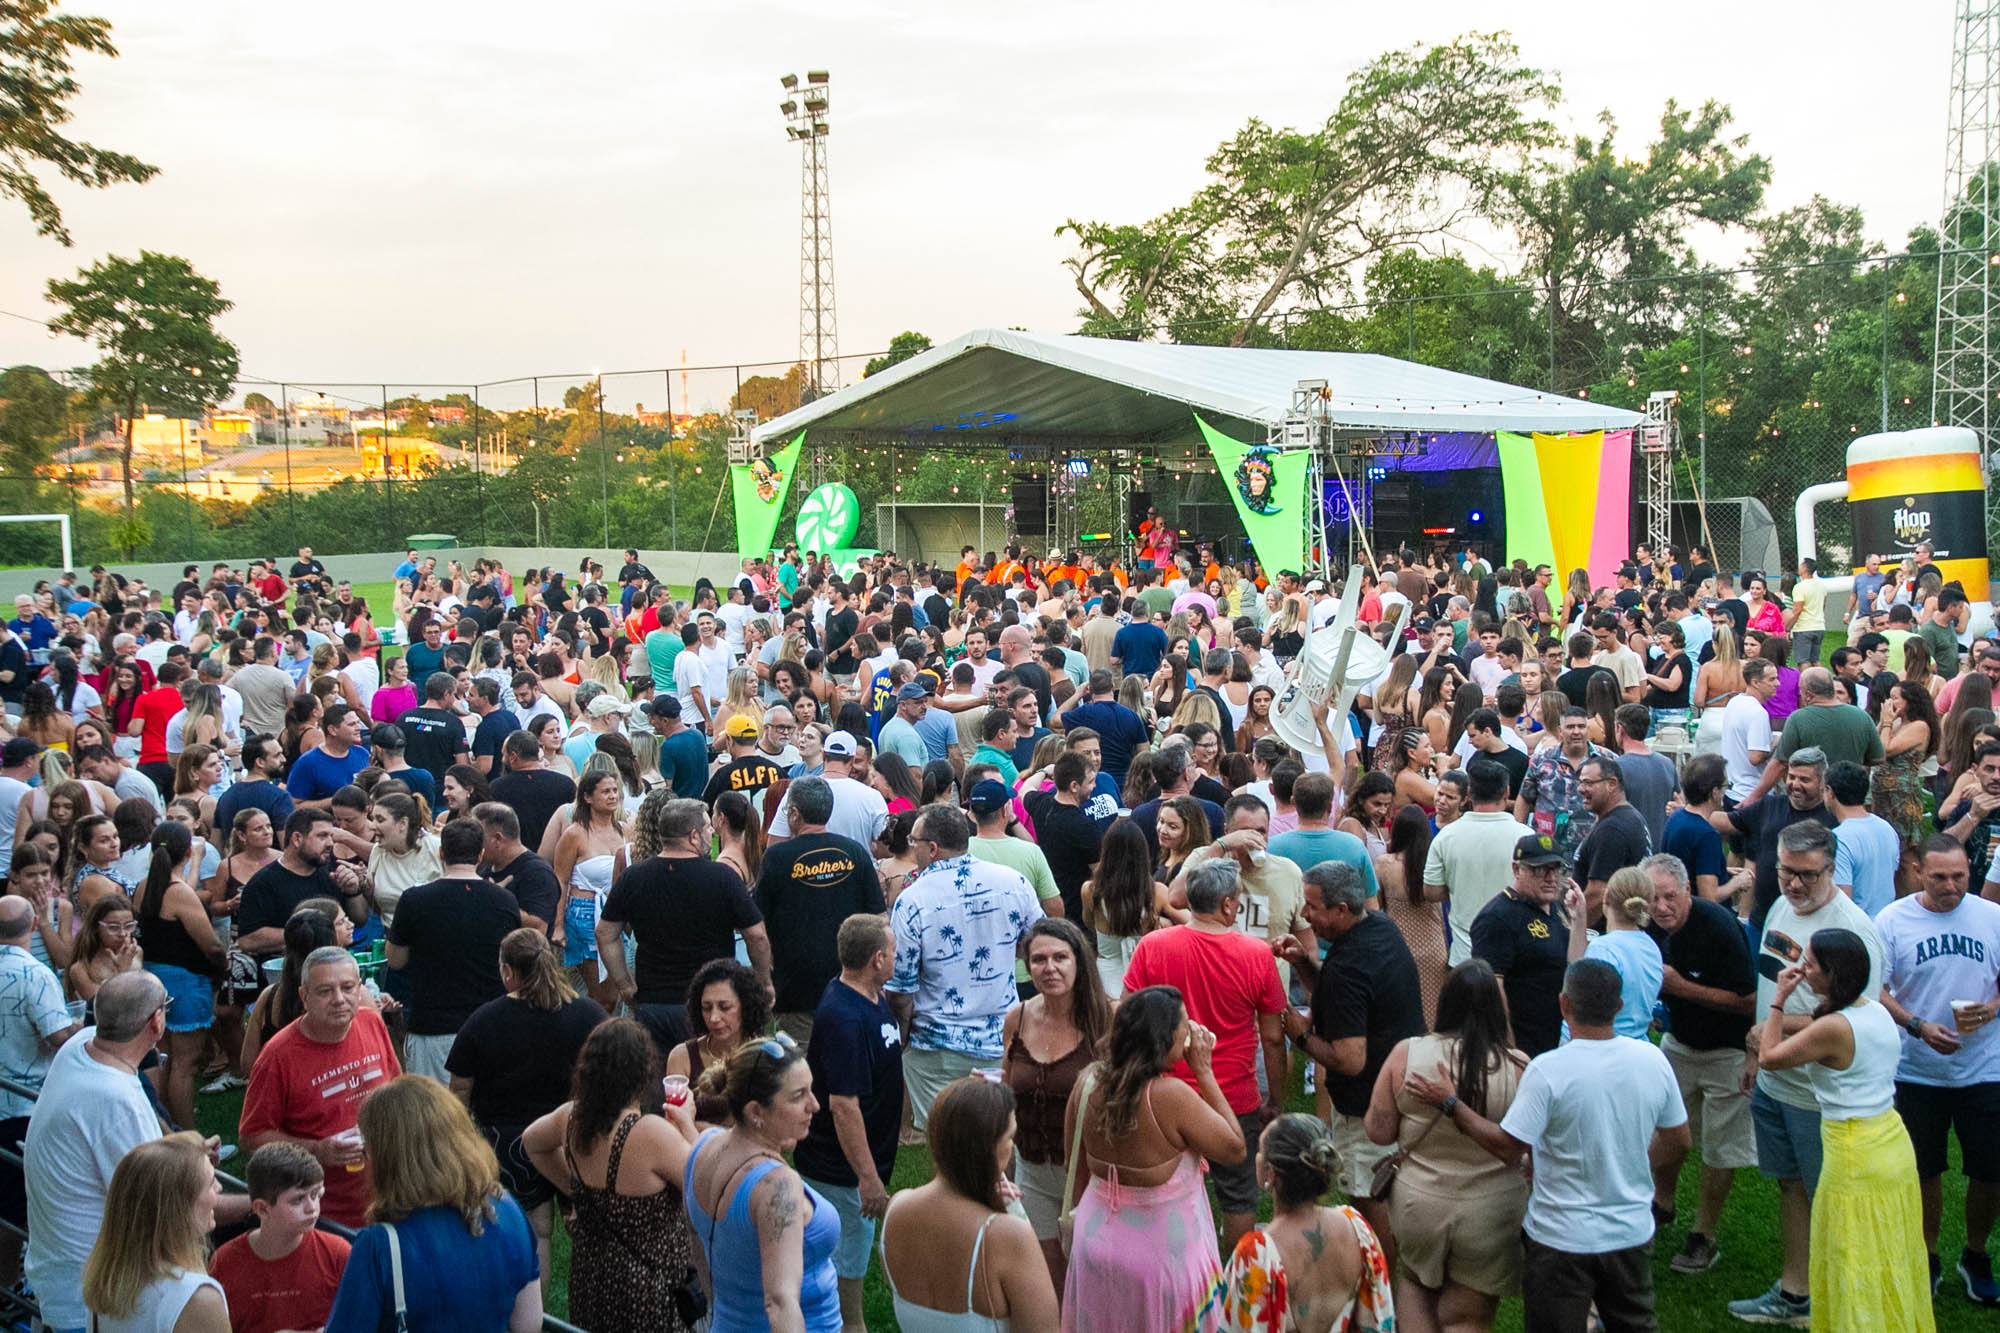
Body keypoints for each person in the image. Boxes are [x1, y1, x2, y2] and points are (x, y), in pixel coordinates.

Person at [1405, 959, 1690, 1333]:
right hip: (1629, 1233)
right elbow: (1679, 1140)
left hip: (1560, 1240)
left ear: (1564, 1004)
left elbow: (1508, 1147)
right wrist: (1633, 1166)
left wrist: (1450, 1103)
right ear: (1619, 1006)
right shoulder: (1652, 1060)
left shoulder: (1548, 1070)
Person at [1731, 820, 1883, 1327]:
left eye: (1808, 875)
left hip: (1822, 1097)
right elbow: (1769, 986)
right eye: (1786, 871)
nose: (1794, 884)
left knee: (1832, 1201)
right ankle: (1796, 1292)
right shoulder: (1780, 906)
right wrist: (1756, 1054)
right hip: (1776, 1081)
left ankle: (1844, 1302)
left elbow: (1856, 1017)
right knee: (1790, 1186)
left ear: (1832, 870)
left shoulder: (1854, 931)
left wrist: (1770, 1035)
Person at [1755, 928, 1936, 1333]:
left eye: (1811, 964)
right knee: (1889, 1248)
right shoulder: (1876, 1011)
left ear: (1832, 973)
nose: (1803, 969)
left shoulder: (1834, 1028)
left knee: (1851, 1254)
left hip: (1854, 1152)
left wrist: (1779, 1000)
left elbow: (1768, 1057)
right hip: (1891, 1140)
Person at [1122, 858, 1286, 1254]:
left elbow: (1128, 1015)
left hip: (1165, 1095)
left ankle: (1172, 1266)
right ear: (1228, 904)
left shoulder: (1154, 945)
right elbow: (1272, 1037)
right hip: (1234, 1096)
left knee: (1162, 1189)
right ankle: (1237, 1274)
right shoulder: (1256, 954)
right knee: (1238, 1195)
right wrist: (1275, 1101)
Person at [1060, 986, 1244, 1331]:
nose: (1190, 1030)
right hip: (1160, 1259)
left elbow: (1074, 1164)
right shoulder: (1171, 1097)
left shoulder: (1087, 1083)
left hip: (1095, 1243)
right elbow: (1234, 1148)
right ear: (1165, 1038)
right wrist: (1204, 1071)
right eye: (1184, 1023)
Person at [1362, 960, 1528, 1333]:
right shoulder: (1518, 1066)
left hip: (1419, 1205)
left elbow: (1378, 1132)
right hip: (1492, 1212)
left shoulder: (1407, 1054)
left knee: (1416, 1288)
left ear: (1445, 1002)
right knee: (1468, 1316)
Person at [1277, 860, 1423, 1266]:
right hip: (1398, 1088)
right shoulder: (1379, 928)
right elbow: (1344, 997)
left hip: (1366, 1106)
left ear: (1341, 909)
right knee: (1389, 1190)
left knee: (1370, 1195)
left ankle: (1383, 1283)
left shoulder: (1348, 968)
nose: (1305, 914)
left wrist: (1299, 1035)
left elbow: (1349, 1059)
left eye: (1312, 906)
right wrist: (1304, 965)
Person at [1873, 836, 2000, 1302]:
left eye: (1960, 876)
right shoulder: (1892, 920)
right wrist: (1917, 1025)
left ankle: (1975, 1253)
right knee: (1923, 1169)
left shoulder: (1992, 917)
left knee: (1991, 1169)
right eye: (1940, 877)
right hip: (1916, 1069)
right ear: (1917, 872)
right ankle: (1926, 1255)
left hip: (1985, 1067)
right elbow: (1875, 989)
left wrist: (1993, 1008)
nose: (1951, 886)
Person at [521, 1018, 701, 1333]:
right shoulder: (651, 1134)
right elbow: (707, 1182)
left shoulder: (571, 1118)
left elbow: (531, 1142)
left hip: (591, 1282)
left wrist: (575, 1189)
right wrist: (687, 1122)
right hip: (649, 1291)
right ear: (643, 1073)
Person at [323, 1075, 543, 1332]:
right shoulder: (507, 1209)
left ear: (387, 1160)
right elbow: (529, 1324)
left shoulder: (378, 1246)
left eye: (367, 1150)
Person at [24, 972, 177, 1332]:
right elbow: (159, 1208)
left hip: (61, 1278)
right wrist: (254, 1204)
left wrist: (179, 1148)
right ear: (156, 1022)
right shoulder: (118, 1102)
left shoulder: (80, 1046)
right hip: (92, 1303)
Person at [887, 802, 1044, 1130]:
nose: (912, 848)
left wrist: (901, 1035)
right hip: (999, 1040)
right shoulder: (1012, 883)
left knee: (947, 1144)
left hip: (936, 1047)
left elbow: (900, 989)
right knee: (997, 1136)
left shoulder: (912, 900)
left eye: (914, 841)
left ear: (932, 848)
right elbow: (1040, 946)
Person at [1638, 853, 1756, 1276]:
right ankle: (1662, 1203)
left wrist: (1681, 988)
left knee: (1720, 1149)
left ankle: (1704, 1234)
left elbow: (1750, 1001)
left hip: (1728, 1049)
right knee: (1668, 1134)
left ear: (1687, 891)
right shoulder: (1647, 925)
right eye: (1652, 898)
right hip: (1679, 1043)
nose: (1661, 907)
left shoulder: (1718, 927)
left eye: (1670, 896)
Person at [683, 1033, 844, 1332]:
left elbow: (695, 1236)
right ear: (755, 1112)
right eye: (798, 1096)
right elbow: (780, 1303)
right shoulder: (778, 1187)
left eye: (811, 1090)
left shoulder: (703, 1146)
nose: (815, 1105)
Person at [793, 914, 908, 1332]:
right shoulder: (845, 1018)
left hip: (858, 1166)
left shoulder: (868, 996)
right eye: (893, 950)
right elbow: (843, 1106)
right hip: (841, 1173)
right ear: (877, 959)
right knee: (845, 1271)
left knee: (847, 1259)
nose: (897, 956)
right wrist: (868, 1178)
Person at [879, 1076, 1062, 1330]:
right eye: (1011, 1137)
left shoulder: (897, 1209)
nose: (1013, 1146)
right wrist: (1013, 1213)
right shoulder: (1008, 1235)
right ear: (990, 1149)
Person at [239, 947, 402, 1229]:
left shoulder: (371, 1022)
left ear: (359, 988)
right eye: (325, 991)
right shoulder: (278, 1056)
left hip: (391, 1199)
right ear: (304, 997)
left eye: (347, 988)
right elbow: (251, 1136)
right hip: (326, 1215)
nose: (339, 999)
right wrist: (318, 1149)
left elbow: (397, 1090)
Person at [599, 797, 771, 1052]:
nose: (712, 832)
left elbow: (605, 933)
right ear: (693, 836)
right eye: (707, 827)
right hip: (710, 1004)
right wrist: (763, 981)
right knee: (712, 1072)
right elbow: (756, 936)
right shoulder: (722, 878)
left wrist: (624, 984)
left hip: (653, 1002)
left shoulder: (634, 877)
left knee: (659, 1074)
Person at [999, 918, 1108, 1293]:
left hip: (1091, 1175)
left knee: (1094, 1278)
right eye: (1039, 959)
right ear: (1027, 966)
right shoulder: (1018, 1017)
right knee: (1049, 1280)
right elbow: (1006, 1090)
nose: (1049, 968)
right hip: (1032, 1171)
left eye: (1060, 957)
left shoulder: (1106, 1018)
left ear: (1079, 961)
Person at [1213, 1113, 1395, 1333]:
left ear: (1270, 1174)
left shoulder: (1256, 1255)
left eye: (1260, 1150)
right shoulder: (1357, 1228)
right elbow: (1379, 1314)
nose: (1257, 1156)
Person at [386, 817, 523, 1082]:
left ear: (441, 853)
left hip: (433, 1029)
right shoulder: (505, 900)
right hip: (492, 1025)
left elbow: (396, 959)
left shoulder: (414, 900)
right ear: (480, 855)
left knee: (435, 1106)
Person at [755, 776, 887, 1043]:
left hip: (796, 989)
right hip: (851, 984)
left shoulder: (777, 858)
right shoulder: (855, 852)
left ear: (794, 813)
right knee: (848, 1058)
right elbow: (880, 919)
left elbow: (758, 925)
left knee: (800, 1064)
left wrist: (763, 977)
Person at [79, 1132, 228, 1333]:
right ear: (179, 1209)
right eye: (211, 1183)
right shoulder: (198, 1299)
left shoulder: (106, 1284)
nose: (219, 1187)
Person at [132, 821, 226, 1134]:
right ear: (186, 851)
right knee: (185, 1064)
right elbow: (210, 944)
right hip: (186, 982)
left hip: (153, 979)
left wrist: (194, 863)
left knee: (167, 1058)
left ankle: (166, 1125)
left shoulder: (144, 887)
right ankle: (189, 1136)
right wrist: (223, 964)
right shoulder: (180, 893)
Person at [209, 1143, 353, 1333]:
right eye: (298, 1199)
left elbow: (364, 1320)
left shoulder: (338, 1254)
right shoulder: (224, 1263)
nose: (312, 1207)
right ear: (262, 1208)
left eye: (316, 1194)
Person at [1712, 747, 1836, 931]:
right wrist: (1690, 811)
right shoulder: (1770, 805)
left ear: (1822, 782)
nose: (1795, 784)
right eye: (1791, 777)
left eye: (1804, 779)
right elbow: (1727, 821)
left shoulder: (1832, 818)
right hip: (1762, 921)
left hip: (1809, 924)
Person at [1469, 835, 1572, 1056]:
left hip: (1556, 1038)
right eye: (1539, 870)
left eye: (1555, 869)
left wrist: (1580, 918)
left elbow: (1574, 963)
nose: (1550, 878)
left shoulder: (1557, 907)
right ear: (1516, 869)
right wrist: (1510, 1050)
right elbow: (1491, 990)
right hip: (1522, 1043)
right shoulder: (1497, 917)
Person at [1573, 755, 1652, 927]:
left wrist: (1572, 933)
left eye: (1588, 783)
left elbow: (1597, 895)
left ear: (1612, 784)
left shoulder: (1612, 829)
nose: (1580, 789)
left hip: (1604, 932)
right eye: (1580, 783)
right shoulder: (1629, 817)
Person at [1827, 759, 1900, 917]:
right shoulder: (1887, 828)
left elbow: (1842, 901)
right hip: (1885, 923)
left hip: (1857, 927)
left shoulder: (1839, 839)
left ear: (1830, 792)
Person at [491, 729, 576, 851]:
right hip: (559, 853)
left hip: (516, 855)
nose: (502, 760)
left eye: (504, 755)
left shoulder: (497, 788)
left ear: (513, 757)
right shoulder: (566, 784)